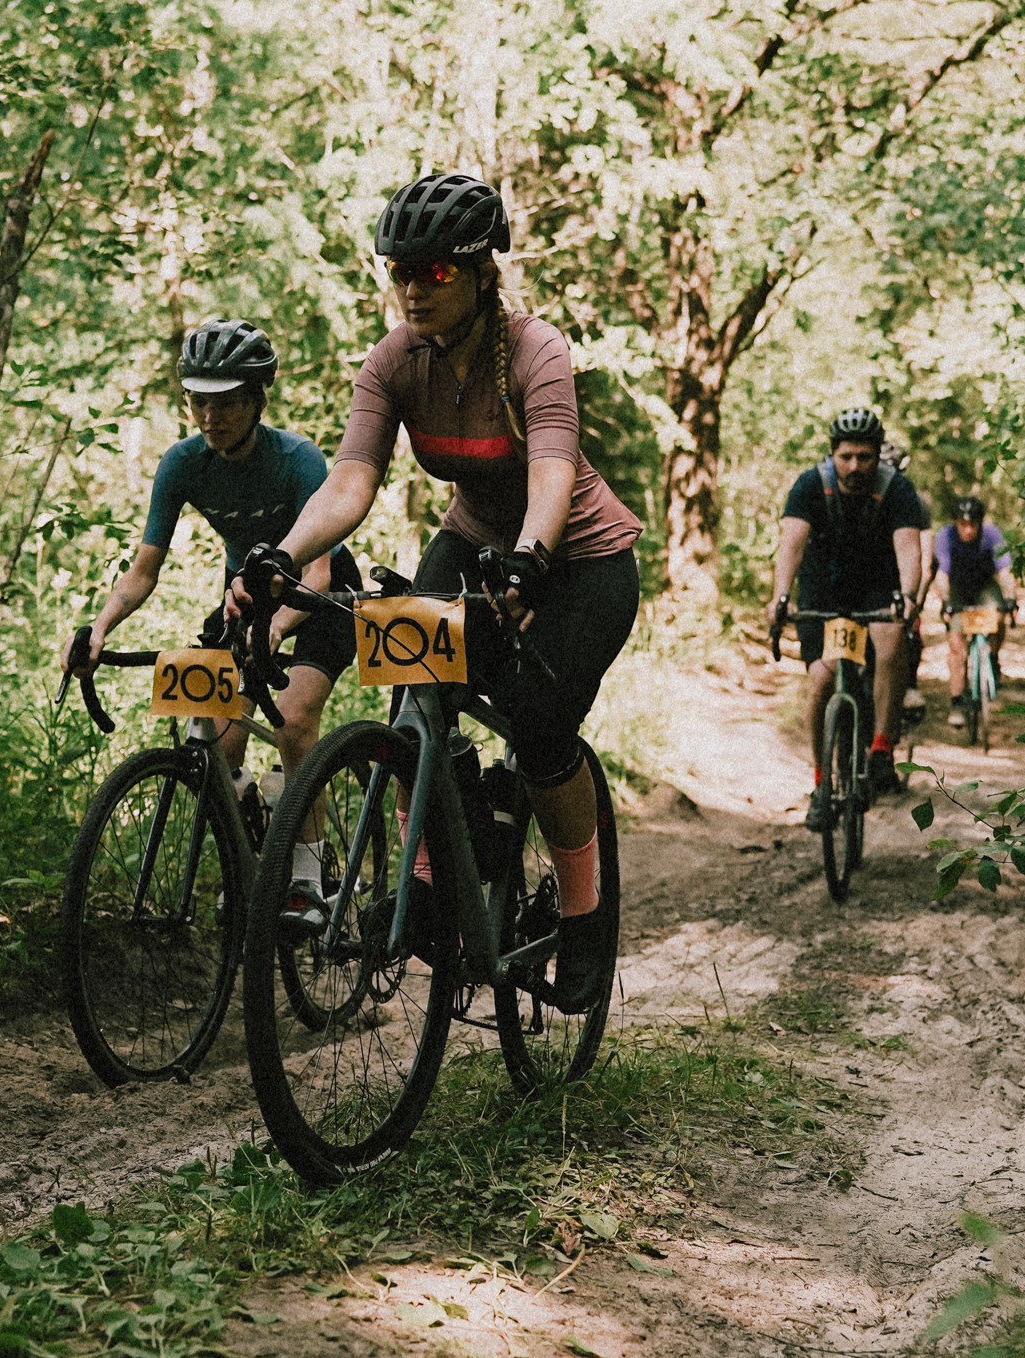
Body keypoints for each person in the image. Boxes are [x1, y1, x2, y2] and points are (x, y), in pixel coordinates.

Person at [235, 173, 641, 1011]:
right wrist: (280, 554)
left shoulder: (536, 349)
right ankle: (435, 874)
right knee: (411, 682)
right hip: (472, 543)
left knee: (538, 723)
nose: (414, 289)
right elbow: (351, 481)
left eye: (436, 273)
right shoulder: (393, 360)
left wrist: (531, 556)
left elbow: (553, 470)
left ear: (481, 271)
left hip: (581, 559)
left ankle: (584, 915)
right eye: (400, 272)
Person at [67, 318, 360, 917]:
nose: (209, 416)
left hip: (318, 595)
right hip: (246, 598)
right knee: (216, 742)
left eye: (225, 403)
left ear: (257, 401)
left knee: (294, 719)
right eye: (199, 401)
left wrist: (274, 632)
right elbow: (143, 571)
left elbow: (320, 575)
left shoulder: (298, 458)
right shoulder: (183, 464)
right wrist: (98, 629)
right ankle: (259, 844)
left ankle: (309, 873)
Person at [767, 407, 926, 821]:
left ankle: (880, 750)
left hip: (877, 584)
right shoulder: (810, 486)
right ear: (832, 454)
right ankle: (821, 784)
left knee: (890, 639)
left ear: (878, 456)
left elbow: (909, 551)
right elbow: (791, 546)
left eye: (864, 457)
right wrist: (781, 596)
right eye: (846, 457)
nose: (854, 466)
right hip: (825, 587)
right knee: (822, 678)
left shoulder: (897, 490)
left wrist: (908, 596)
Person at [939, 495, 1016, 725]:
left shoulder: (992, 535)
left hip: (984, 586)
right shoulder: (945, 536)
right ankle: (956, 701)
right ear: (956, 523)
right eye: (963, 524)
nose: (969, 530)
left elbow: (1005, 571)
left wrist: (1011, 598)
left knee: (998, 617)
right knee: (957, 646)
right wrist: (945, 601)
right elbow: (941, 575)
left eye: (974, 524)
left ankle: (992, 656)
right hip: (958, 588)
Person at [880, 442, 934, 730]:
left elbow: (924, 560)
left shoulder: (914, 501)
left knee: (907, 633)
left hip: (902, 574)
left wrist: (915, 598)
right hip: (872, 575)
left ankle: (908, 685)